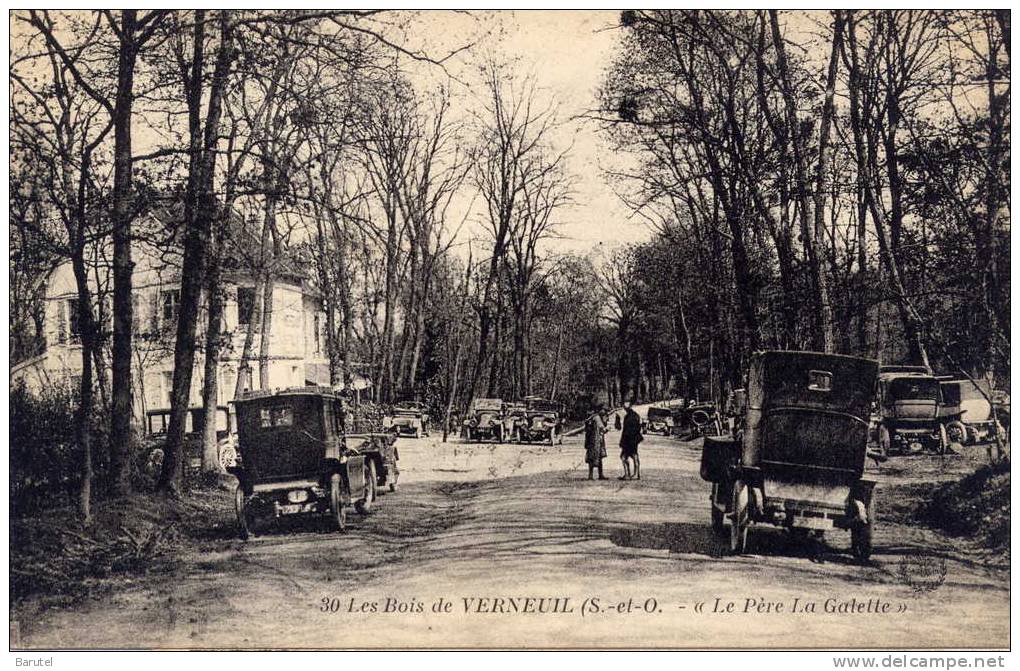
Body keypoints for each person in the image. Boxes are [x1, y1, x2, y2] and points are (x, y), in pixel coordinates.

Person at [619, 400, 643, 480]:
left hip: (630, 440)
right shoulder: (632, 415)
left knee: (627, 456)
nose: (625, 409)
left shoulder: (632, 416)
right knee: (631, 456)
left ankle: (631, 474)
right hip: (631, 440)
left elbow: (633, 429)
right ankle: (632, 474)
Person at [584, 404, 608, 480]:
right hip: (597, 440)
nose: (604, 411)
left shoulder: (591, 417)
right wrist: (607, 429)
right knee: (597, 456)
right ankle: (597, 475)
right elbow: (602, 428)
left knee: (593, 456)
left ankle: (593, 475)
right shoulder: (597, 418)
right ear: (599, 410)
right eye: (603, 410)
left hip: (590, 440)